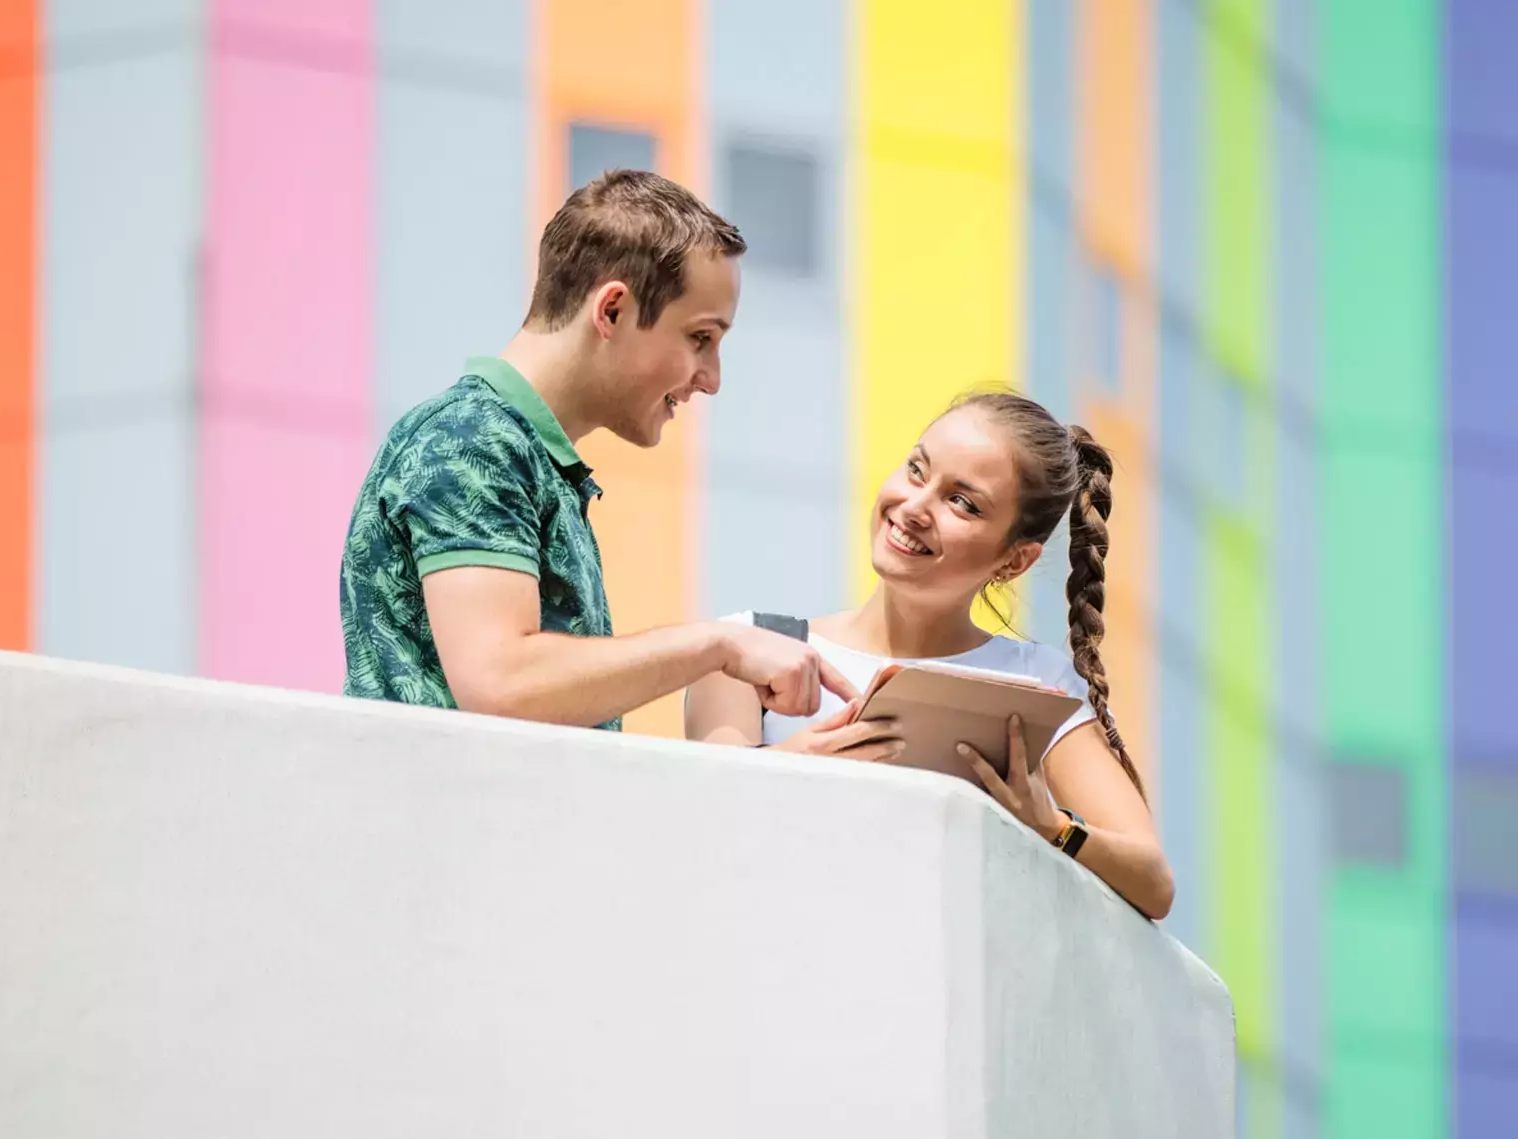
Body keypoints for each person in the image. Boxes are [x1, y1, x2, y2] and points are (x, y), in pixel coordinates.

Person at [340, 169, 856, 729]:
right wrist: (717, 645)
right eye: (700, 338)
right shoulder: (470, 440)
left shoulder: (524, 455)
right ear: (611, 311)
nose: (712, 379)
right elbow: (501, 682)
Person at [683, 392, 1175, 919]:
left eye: (963, 503)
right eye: (917, 470)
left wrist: (1049, 825)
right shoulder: (746, 648)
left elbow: (1152, 881)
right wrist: (800, 764)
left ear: (1013, 561)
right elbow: (702, 820)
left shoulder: (1036, 684)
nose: (916, 508)